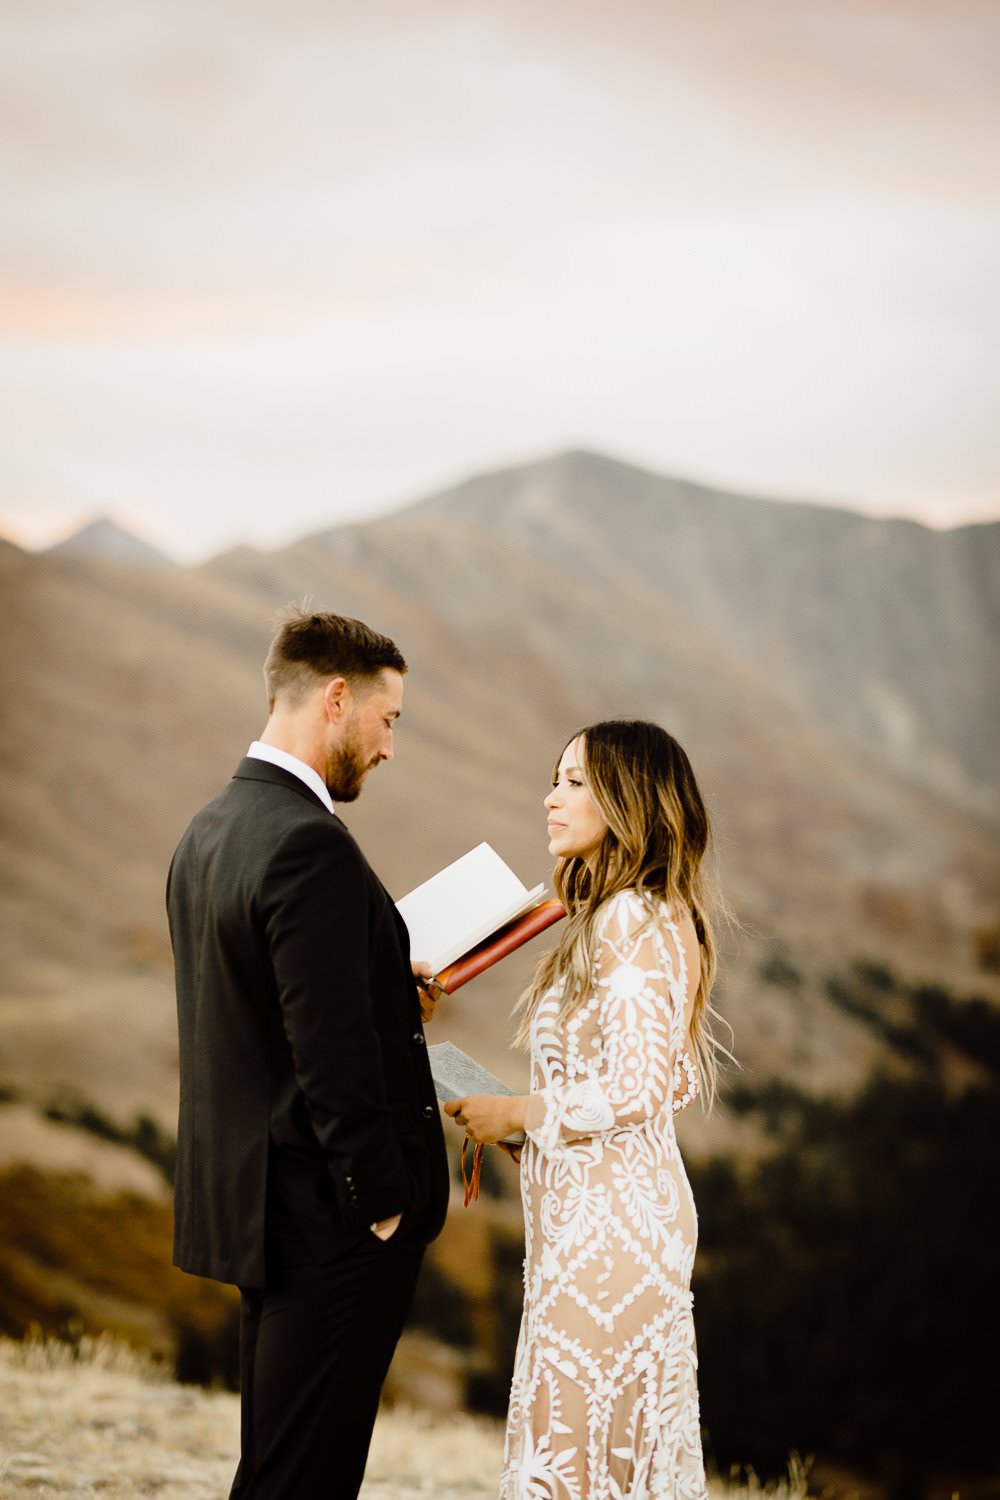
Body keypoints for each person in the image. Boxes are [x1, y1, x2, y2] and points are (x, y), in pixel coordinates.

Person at [167, 608, 450, 1500]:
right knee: (303, 1480)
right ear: (337, 698)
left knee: (280, 1466)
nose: (390, 747)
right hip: (329, 1221)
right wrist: (381, 1206)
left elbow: (259, 1012)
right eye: (389, 719)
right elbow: (324, 1053)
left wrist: (381, 985)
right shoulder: (308, 843)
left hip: (261, 1213)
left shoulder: (212, 829)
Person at [445, 719, 725, 1500]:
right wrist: (530, 1131)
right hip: (591, 1214)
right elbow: (654, 1083)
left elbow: (640, 1086)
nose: (550, 799)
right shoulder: (631, 914)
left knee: (571, 1459)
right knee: (590, 1456)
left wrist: (523, 1113)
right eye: (555, 779)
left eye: (573, 783)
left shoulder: (632, 918)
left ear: (627, 800)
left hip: (613, 1229)